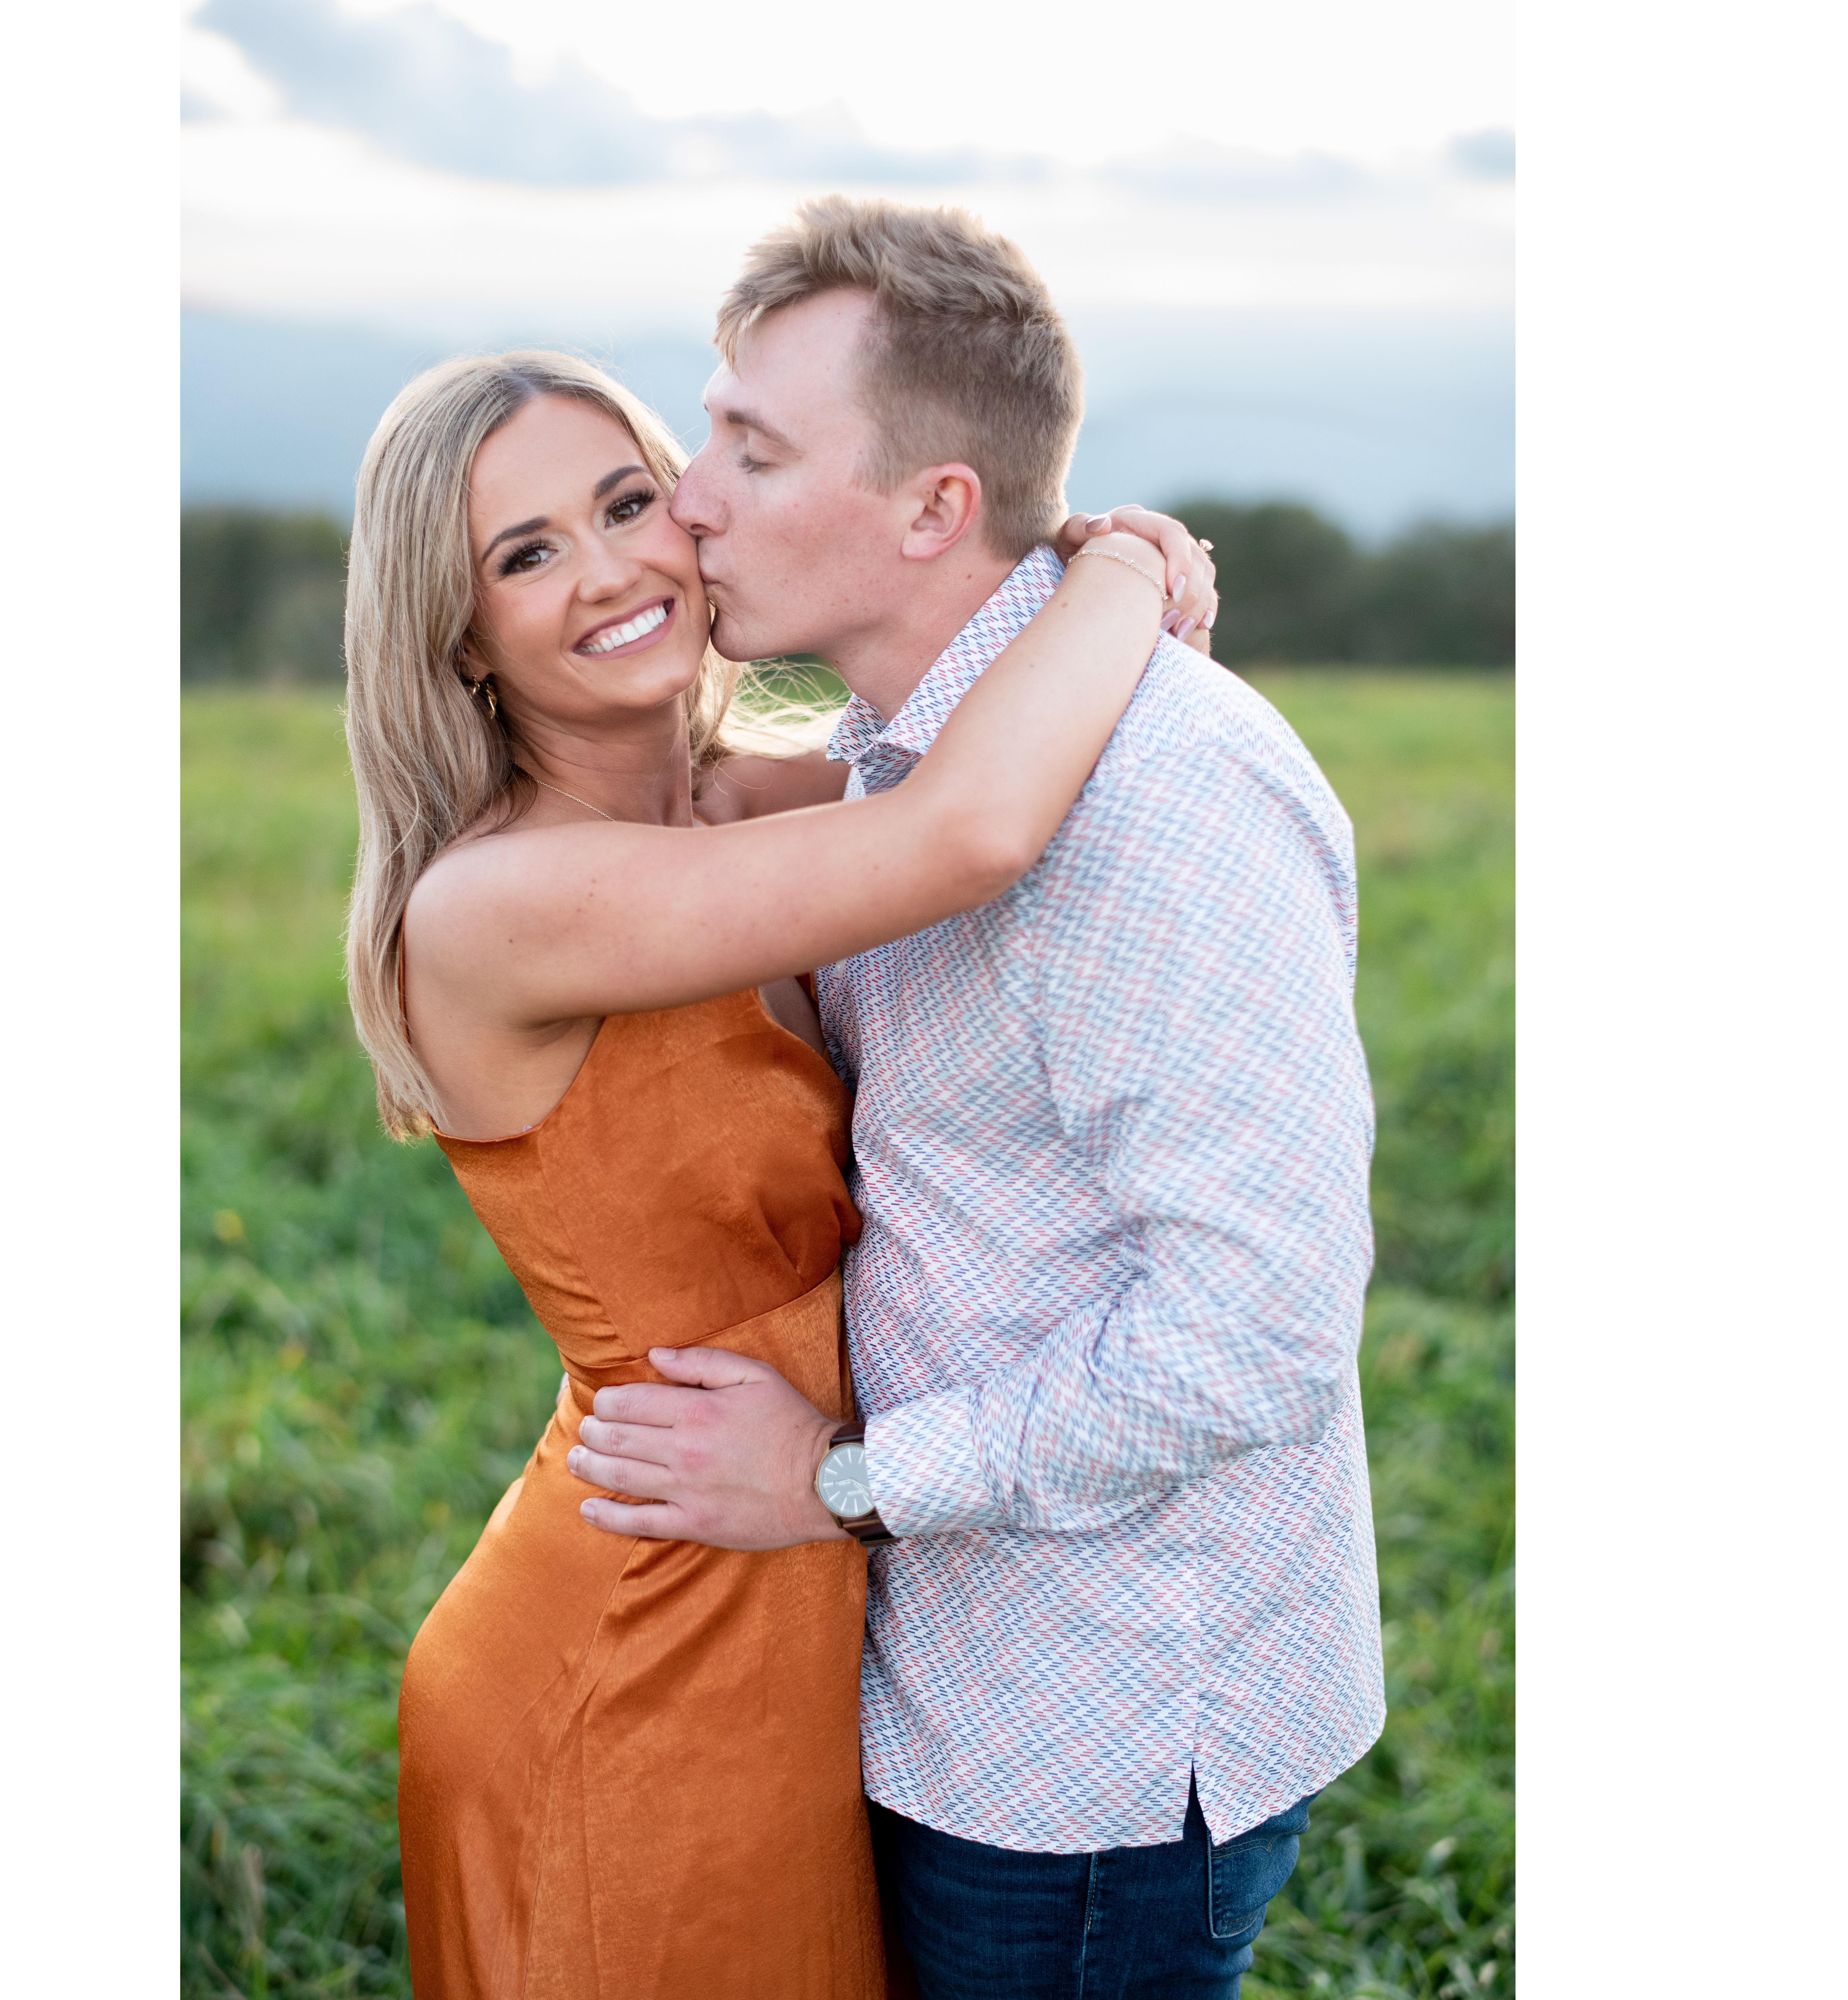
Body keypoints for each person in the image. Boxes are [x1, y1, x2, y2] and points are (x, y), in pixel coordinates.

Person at [570, 198, 1386, 2000]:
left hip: (1086, 1736)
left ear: (936, 508)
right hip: (937, 1660)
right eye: (707, 428)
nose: (690, 494)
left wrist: (846, 1481)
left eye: (754, 449)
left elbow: (1255, 1336)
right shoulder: (905, 751)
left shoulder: (1154, 807)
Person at [341, 338, 1216, 1998]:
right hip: (639, 1625)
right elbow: (964, 831)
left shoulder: (726, 803)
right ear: (458, 634)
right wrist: (1112, 567)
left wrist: (1080, 574)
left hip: (791, 1570)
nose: (606, 571)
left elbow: (1014, 744)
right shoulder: (502, 903)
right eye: (526, 555)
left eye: (622, 504)